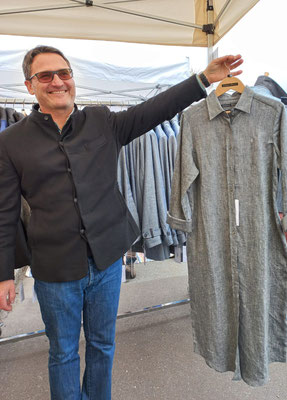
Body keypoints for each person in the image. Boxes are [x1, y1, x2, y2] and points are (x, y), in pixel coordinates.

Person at [0, 45, 243, 400]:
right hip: (54, 268)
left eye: (64, 73)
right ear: (29, 85)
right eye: (46, 76)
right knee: (63, 352)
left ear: (72, 80)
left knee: (102, 345)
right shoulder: (10, 142)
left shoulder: (101, 121)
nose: (57, 82)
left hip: (108, 259)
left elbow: (155, 110)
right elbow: (5, 213)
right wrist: (5, 272)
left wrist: (204, 78)